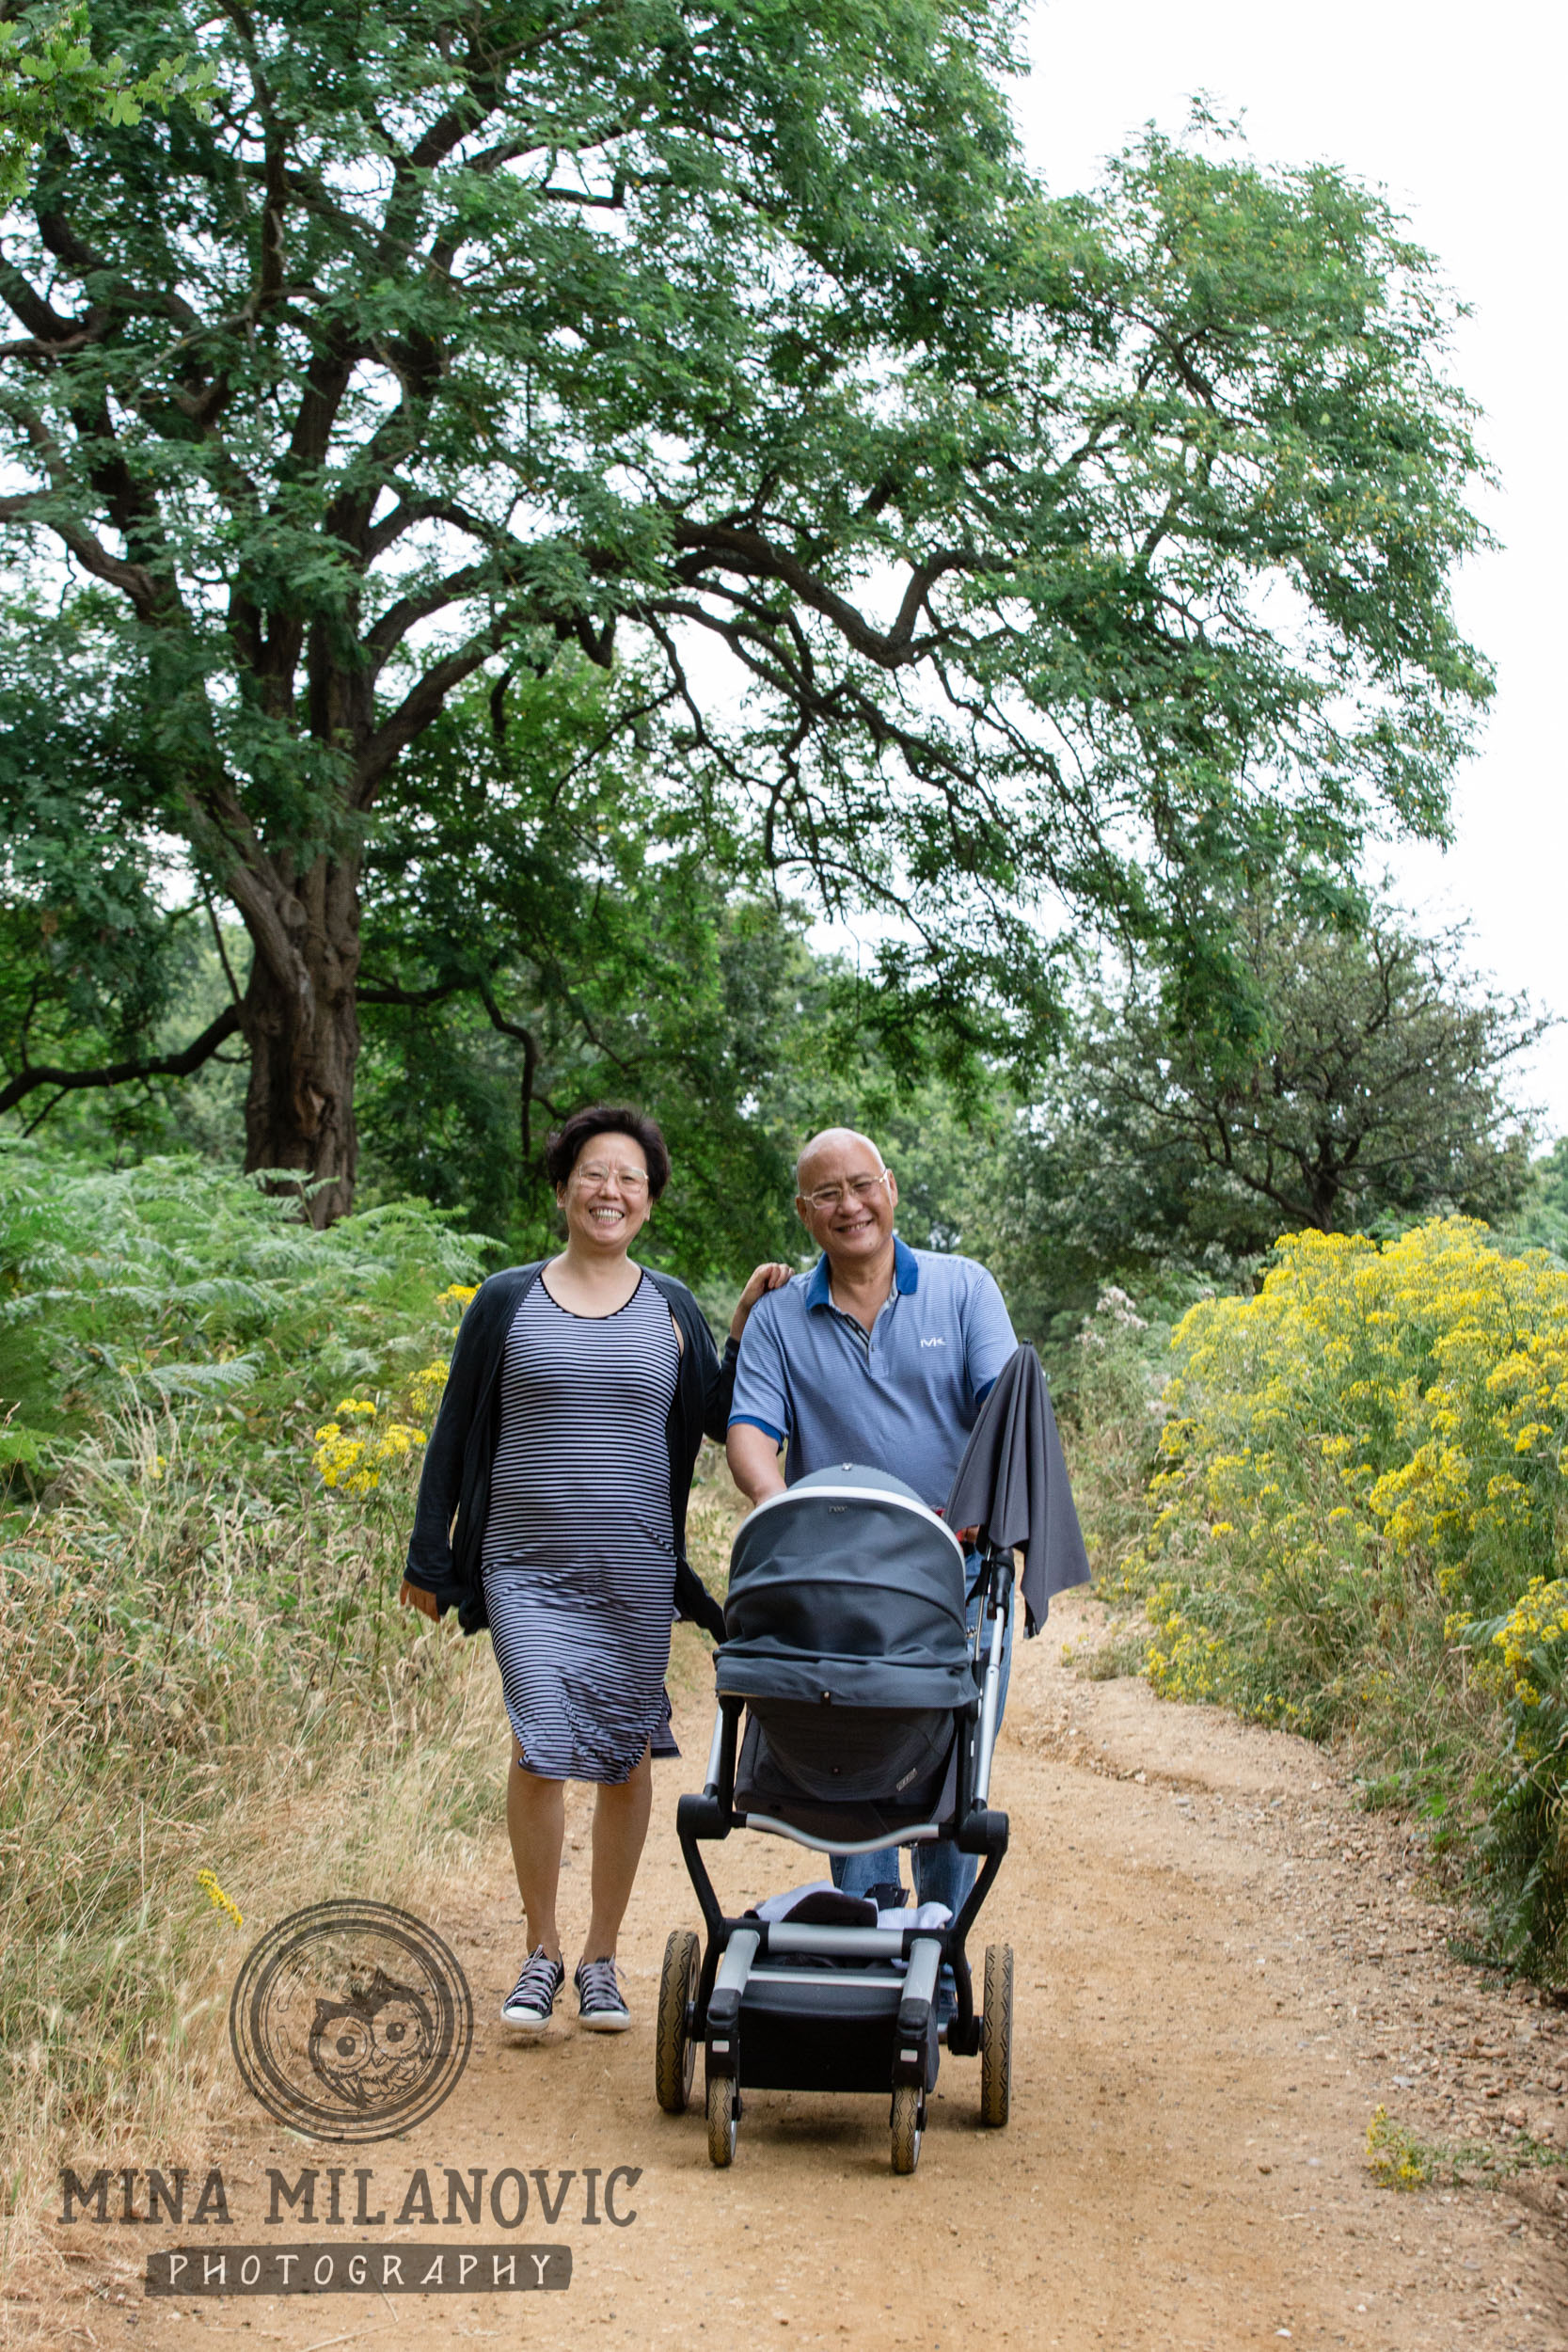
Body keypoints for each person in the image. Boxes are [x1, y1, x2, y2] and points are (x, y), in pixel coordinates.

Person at [403, 1104, 790, 2037]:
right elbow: (453, 1435)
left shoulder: (668, 1305)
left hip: (632, 1571)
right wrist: (428, 1554)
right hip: (521, 1565)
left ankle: (602, 1956)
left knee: (619, 1760)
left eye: (628, 1178)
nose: (608, 1189)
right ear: (564, 1186)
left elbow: (713, 1414)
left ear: (647, 1201)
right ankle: (539, 1950)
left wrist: (739, 1325)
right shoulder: (505, 1298)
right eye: (593, 1172)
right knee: (540, 1747)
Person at [725, 1126, 1017, 1926]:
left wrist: (988, 1515)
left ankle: (938, 1934)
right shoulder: (781, 1318)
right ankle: (861, 1923)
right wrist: (773, 1502)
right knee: (845, 1753)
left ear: (889, 1188)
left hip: (950, 1572)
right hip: (835, 1578)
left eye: (860, 1185)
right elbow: (749, 1429)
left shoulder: (962, 1290)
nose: (848, 1206)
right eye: (826, 1194)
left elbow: (1001, 1411)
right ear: (803, 1212)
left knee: (947, 1762)